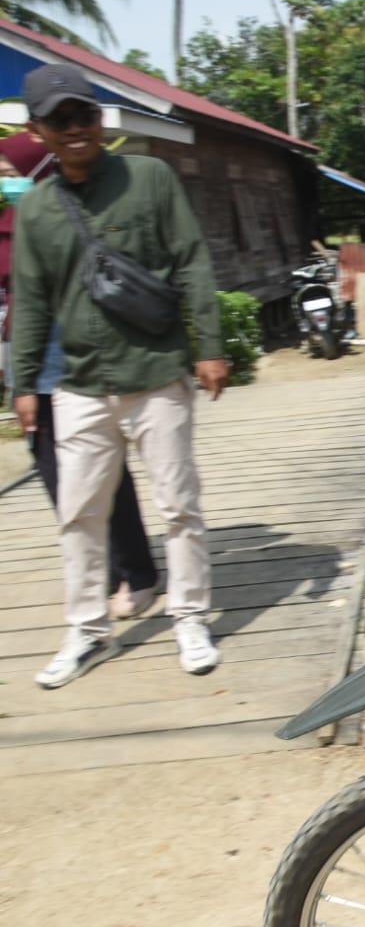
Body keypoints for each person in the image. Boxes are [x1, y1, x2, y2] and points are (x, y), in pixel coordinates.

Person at [8, 64, 229, 689]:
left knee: (179, 507)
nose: (76, 128)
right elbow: (29, 302)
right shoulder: (39, 211)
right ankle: (86, 630)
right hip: (79, 384)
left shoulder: (150, 179)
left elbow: (191, 260)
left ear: (100, 119)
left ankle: (190, 616)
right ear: (40, 130)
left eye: (84, 115)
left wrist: (210, 346)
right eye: (61, 120)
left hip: (158, 374)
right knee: (78, 513)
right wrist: (24, 385)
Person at [1, 132, 160, 622]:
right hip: (26, 362)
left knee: (106, 473)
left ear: (38, 172)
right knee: (53, 473)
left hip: (78, 360)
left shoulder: (66, 220)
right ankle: (105, 577)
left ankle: (139, 573)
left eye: (10, 174)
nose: (4, 183)